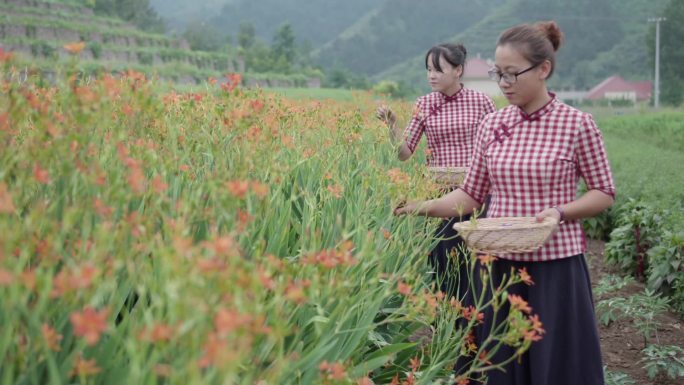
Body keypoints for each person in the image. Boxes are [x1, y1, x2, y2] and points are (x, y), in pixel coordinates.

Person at [395, 21, 614, 385]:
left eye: (513, 74)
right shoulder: (493, 125)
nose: (504, 84)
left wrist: (561, 212)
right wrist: (419, 206)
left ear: (543, 69)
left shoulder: (577, 124)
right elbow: (470, 196)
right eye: (499, 74)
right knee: (503, 365)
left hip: (555, 266)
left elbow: (603, 192)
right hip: (498, 266)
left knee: (557, 365)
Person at [377, 43, 496, 297]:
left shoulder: (481, 102)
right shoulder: (424, 103)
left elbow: (497, 147)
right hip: (439, 195)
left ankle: (475, 326)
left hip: (476, 193)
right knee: (444, 261)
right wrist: (391, 125)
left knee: (477, 263)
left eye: (438, 69)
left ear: (458, 70)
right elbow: (405, 152)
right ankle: (446, 322)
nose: (431, 75)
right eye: (428, 69)